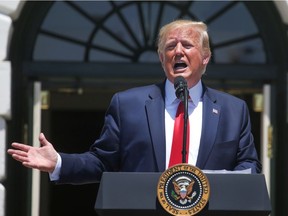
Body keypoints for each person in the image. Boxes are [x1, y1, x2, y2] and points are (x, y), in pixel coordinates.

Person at [7, 19, 262, 185]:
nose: (178, 51)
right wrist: (60, 162)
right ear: (162, 58)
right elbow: (102, 162)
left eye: (187, 44)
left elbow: (248, 166)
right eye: (170, 46)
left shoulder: (232, 109)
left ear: (205, 57)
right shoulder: (128, 104)